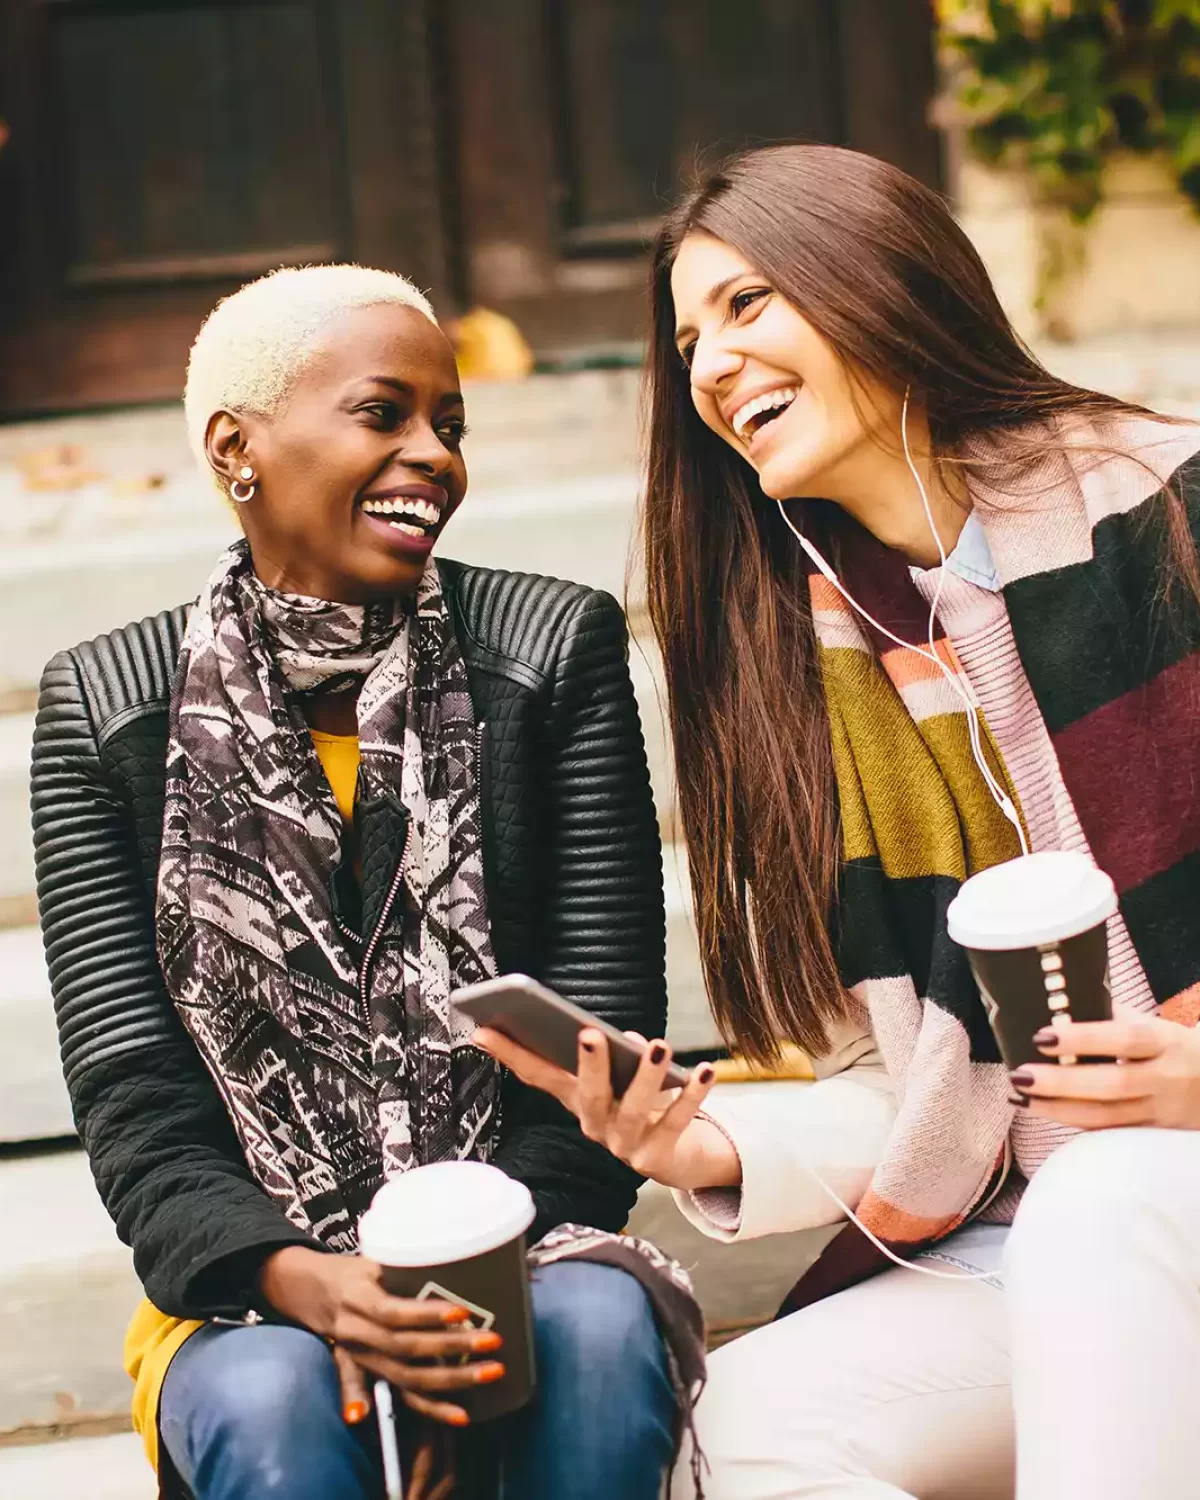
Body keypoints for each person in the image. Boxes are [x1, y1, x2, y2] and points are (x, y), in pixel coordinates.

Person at [477, 145, 1200, 1500]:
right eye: (689, 339)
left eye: (747, 305)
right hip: (1036, 1235)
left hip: (1146, 1202)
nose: (709, 364)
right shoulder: (807, 669)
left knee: (1103, 1208)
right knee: (734, 1436)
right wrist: (710, 1147)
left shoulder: (1171, 508)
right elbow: (918, 1082)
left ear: (877, 277)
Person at [30, 264, 685, 1500]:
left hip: (529, 1240)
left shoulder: (553, 653)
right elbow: (137, 1104)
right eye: (384, 415)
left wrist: (457, 1284)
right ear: (239, 448)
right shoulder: (104, 713)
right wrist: (311, 1286)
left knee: (593, 1339)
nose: (432, 454)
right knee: (273, 1402)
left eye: (449, 424)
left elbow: (598, 1047)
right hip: (255, 1287)